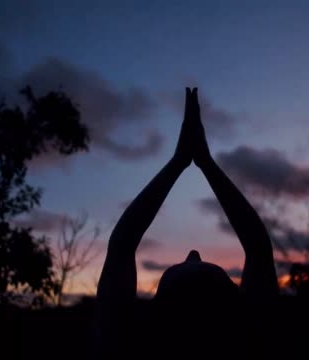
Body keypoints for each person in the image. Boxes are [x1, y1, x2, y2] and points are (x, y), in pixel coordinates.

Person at [95, 88, 278, 357]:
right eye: (198, 262)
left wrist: (179, 162)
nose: (193, 252)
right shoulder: (248, 343)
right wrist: (205, 163)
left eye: (182, 263)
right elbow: (259, 249)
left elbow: (122, 246)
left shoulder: (130, 349)